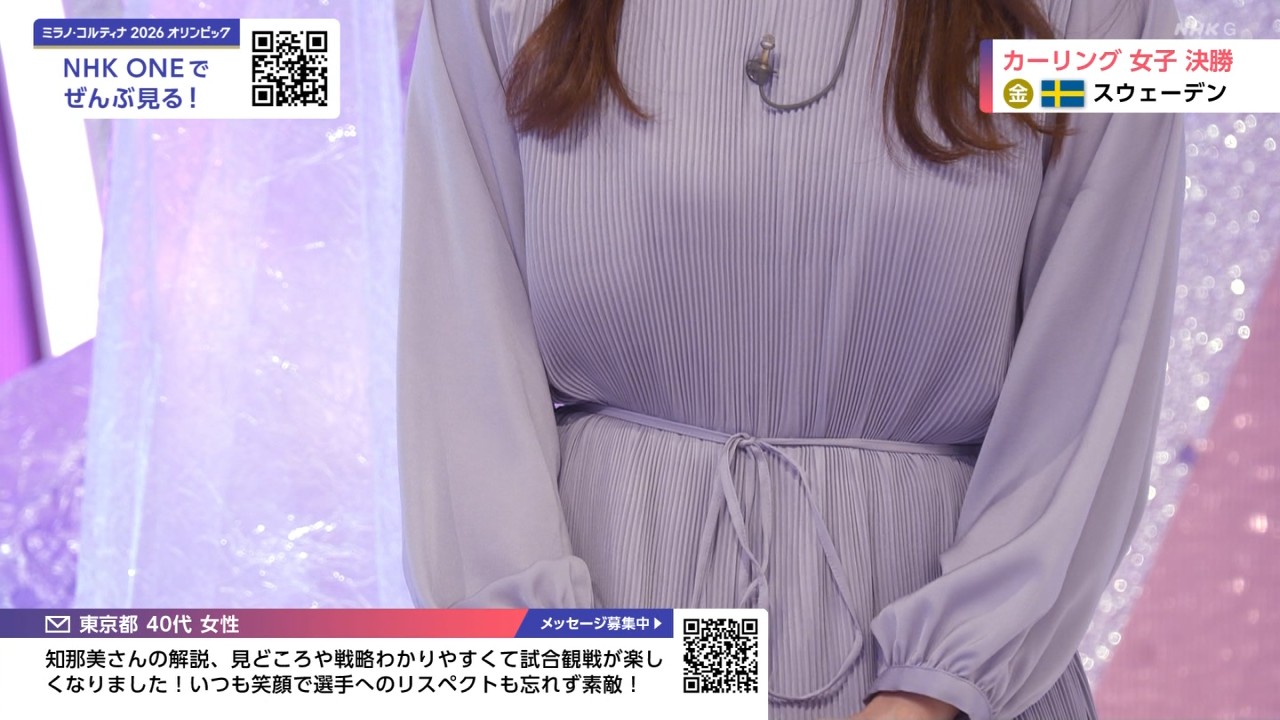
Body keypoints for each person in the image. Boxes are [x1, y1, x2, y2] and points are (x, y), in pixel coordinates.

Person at [396, 0, 1184, 718]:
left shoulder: (1092, 14)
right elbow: (465, 340)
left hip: (934, 640)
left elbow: (1091, 362)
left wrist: (936, 685)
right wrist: (552, 665)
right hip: (601, 614)